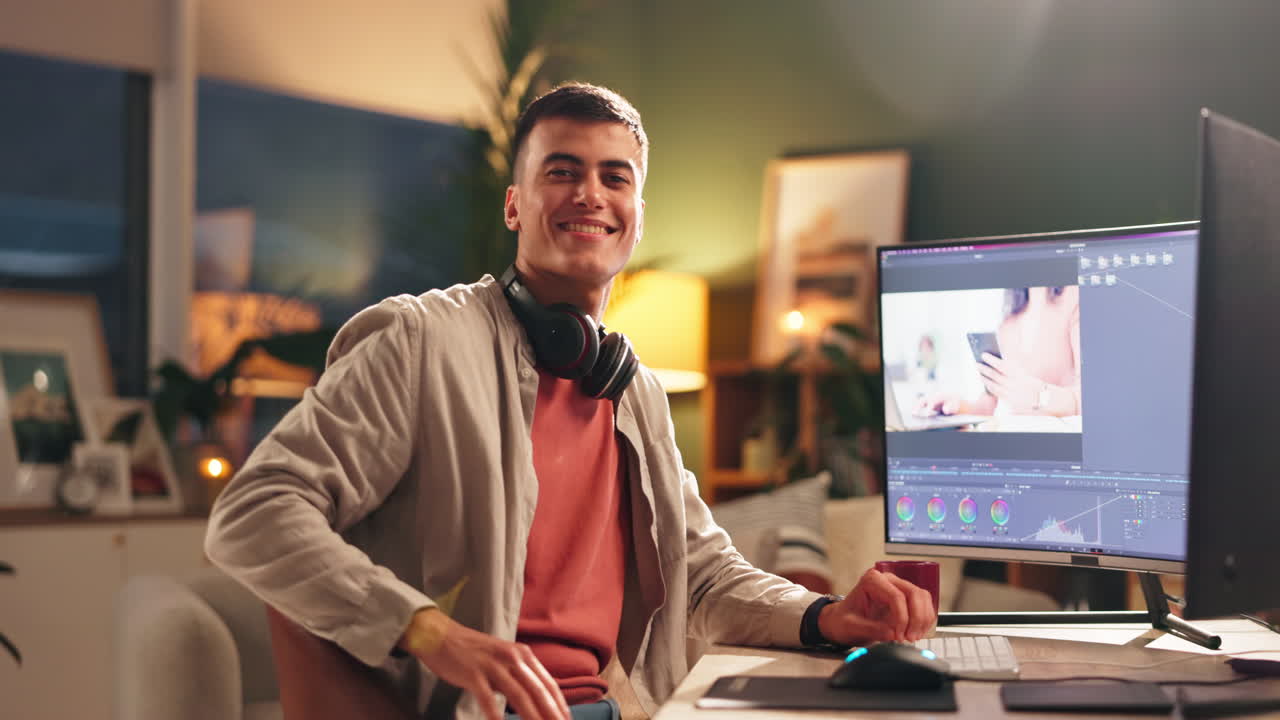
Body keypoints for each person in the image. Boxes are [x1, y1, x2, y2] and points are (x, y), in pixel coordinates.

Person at [204, 82, 936, 720]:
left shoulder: (633, 391)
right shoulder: (419, 341)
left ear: (637, 216)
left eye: (615, 177)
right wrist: (430, 631)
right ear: (515, 206)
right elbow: (254, 510)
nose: (590, 194)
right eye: (562, 171)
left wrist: (826, 616)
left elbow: (703, 575)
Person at [915, 285, 1082, 419]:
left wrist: (1039, 396)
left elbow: (1086, 402)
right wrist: (957, 406)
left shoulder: (1076, 296)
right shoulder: (1009, 321)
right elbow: (986, 407)